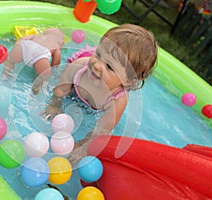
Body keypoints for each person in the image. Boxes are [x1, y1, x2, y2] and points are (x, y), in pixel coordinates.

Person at [45, 24, 158, 162]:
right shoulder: (79, 67)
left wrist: (82, 146)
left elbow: (101, 131)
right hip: (75, 88)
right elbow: (61, 89)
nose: (98, 65)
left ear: (127, 80)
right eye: (98, 54)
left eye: (109, 67)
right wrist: (54, 105)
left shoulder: (117, 100)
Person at [3, 28, 64, 94]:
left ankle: (5, 75)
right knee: (46, 75)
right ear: (62, 43)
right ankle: (36, 88)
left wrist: (17, 44)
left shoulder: (37, 36)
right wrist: (53, 70)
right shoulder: (56, 46)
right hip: (40, 53)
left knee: (10, 61)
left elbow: (23, 39)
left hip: (26, 45)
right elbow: (55, 64)